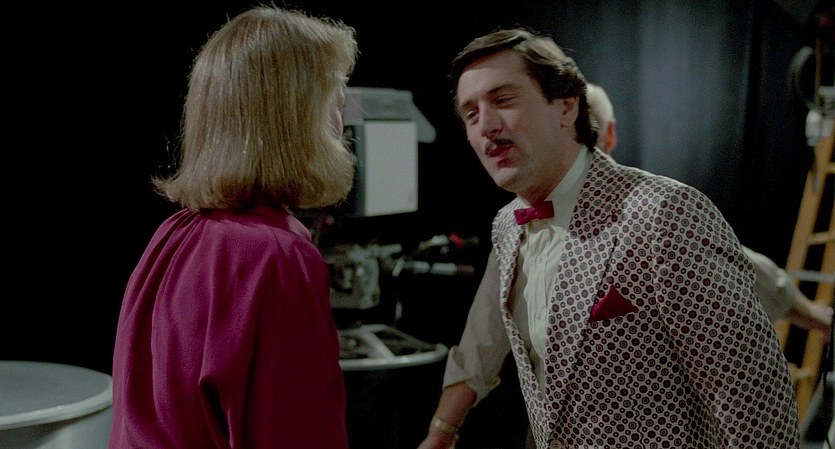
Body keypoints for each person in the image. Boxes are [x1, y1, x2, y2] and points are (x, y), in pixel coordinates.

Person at [418, 28, 799, 449]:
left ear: (566, 107)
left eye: (504, 100)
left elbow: (753, 396)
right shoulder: (507, 226)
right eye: (471, 114)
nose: (487, 126)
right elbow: (483, 344)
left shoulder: (662, 211)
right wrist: (442, 431)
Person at [109, 6, 357, 449]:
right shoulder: (278, 259)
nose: (341, 127)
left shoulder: (172, 235)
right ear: (292, 118)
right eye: (334, 106)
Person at [586, 82, 833, 335]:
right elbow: (748, 272)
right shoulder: (650, 216)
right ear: (610, 134)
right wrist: (815, 317)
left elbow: (746, 270)